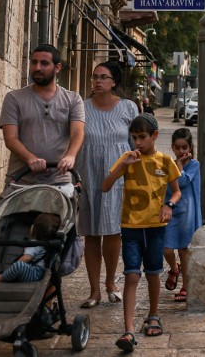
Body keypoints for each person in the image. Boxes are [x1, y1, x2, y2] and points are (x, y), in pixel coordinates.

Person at [102, 114, 180, 353]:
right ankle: (128, 330)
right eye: (134, 138)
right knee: (132, 275)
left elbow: (176, 192)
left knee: (154, 273)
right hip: (130, 227)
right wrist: (122, 166)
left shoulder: (166, 162)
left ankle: (153, 314)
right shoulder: (127, 159)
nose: (137, 142)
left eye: (142, 137)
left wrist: (169, 206)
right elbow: (105, 186)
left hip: (155, 228)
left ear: (154, 136)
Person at [75, 60, 139, 308]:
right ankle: (94, 291)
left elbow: (136, 144)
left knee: (113, 231)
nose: (97, 81)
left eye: (103, 77)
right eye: (94, 77)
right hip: (89, 174)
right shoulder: (81, 107)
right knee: (91, 233)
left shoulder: (128, 107)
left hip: (118, 177)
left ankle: (111, 283)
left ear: (114, 82)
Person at [0, 44, 85, 189]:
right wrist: (31, 159)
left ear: (57, 67)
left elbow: (78, 132)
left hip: (58, 179)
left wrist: (70, 156)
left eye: (44, 63)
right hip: (21, 178)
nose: (37, 67)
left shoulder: (73, 99)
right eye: (34, 62)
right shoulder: (14, 98)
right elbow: (10, 139)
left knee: (58, 211)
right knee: (3, 212)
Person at [163, 128, 201, 303]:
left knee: (184, 250)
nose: (181, 152)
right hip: (172, 209)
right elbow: (167, 186)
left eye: (184, 148)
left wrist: (178, 166)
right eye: (177, 148)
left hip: (187, 212)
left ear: (190, 147)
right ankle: (173, 268)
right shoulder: (168, 163)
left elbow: (183, 182)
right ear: (172, 147)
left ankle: (186, 285)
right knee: (167, 248)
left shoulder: (194, 165)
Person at [0, 213, 61, 283]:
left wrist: (12, 268)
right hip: (43, 273)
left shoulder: (34, 244)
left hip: (35, 274)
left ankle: (1, 278)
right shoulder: (49, 245)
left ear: (32, 228)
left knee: (19, 265)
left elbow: (27, 257)